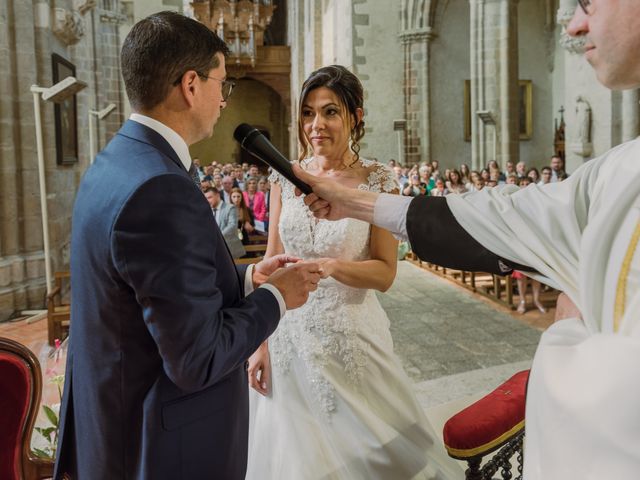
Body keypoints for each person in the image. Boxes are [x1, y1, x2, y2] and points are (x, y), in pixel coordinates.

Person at [294, 3, 640, 478]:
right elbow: (509, 216)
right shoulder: (619, 166)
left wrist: (566, 332)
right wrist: (352, 203)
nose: (574, 25)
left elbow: (616, 405)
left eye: (587, 2)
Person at [53, 12, 322, 480]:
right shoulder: (158, 186)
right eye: (223, 83)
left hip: (113, 425)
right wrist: (277, 296)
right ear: (191, 85)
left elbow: (149, 292)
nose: (223, 99)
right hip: (159, 448)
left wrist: (246, 278)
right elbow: (197, 358)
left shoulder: (115, 161)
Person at [246, 65, 460, 479]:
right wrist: (260, 344)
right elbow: (273, 259)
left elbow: (384, 273)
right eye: (308, 113)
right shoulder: (283, 176)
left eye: (330, 112)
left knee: (376, 451)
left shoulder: (377, 180)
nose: (316, 125)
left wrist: (331, 266)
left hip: (350, 338)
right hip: (288, 338)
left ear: (355, 117)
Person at [205, 187, 245, 258]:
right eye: (206, 198)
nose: (208, 200)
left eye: (210, 197)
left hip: (230, 249)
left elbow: (232, 226)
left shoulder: (230, 208)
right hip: (214, 250)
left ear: (217, 195)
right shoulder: (208, 210)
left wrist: (218, 237)